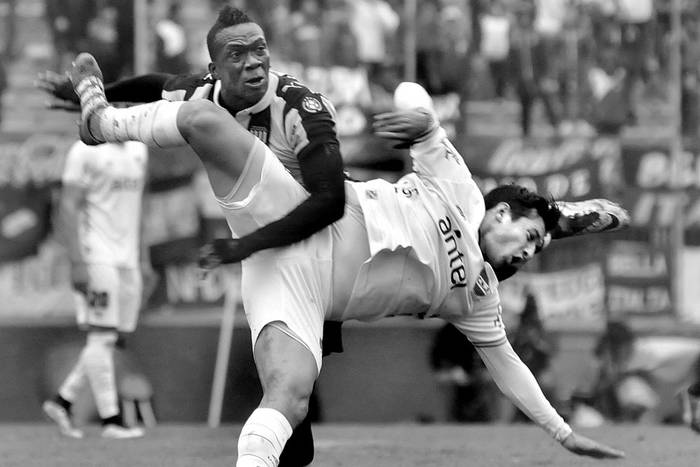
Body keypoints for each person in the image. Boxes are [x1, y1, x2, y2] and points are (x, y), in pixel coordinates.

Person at [66, 52, 625, 464]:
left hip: (304, 291)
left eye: (538, 247)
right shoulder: (465, 191)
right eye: (529, 237)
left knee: (290, 398)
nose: (528, 253)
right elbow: (414, 96)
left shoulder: (480, 299)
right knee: (200, 119)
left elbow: (511, 370)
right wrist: (422, 122)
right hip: (301, 212)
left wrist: (563, 433)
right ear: (500, 216)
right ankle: (101, 123)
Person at [38, 7, 345, 465]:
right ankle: (97, 116)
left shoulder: (300, 105)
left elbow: (332, 200)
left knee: (296, 381)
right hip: (263, 251)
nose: (255, 64)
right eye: (237, 54)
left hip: (315, 245)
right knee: (289, 383)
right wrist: (100, 93)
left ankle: (99, 122)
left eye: (261, 49)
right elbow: (154, 83)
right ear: (214, 69)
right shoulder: (202, 94)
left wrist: (243, 246)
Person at [42, 140, 148, 439]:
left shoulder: (139, 149)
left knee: (111, 339)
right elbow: (68, 205)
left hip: (128, 258)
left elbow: (138, 208)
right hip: (96, 255)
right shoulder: (83, 151)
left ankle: (62, 401)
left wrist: (144, 259)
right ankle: (111, 420)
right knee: (101, 335)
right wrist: (76, 260)